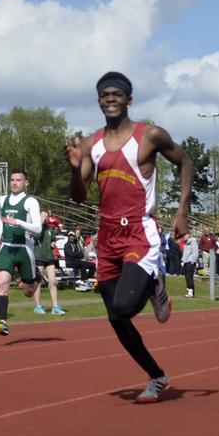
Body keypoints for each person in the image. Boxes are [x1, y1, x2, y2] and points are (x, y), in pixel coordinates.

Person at [66, 71, 193, 403]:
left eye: (117, 94)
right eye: (105, 95)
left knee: (124, 305)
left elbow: (185, 162)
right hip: (106, 235)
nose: (111, 99)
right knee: (116, 317)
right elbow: (78, 197)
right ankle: (157, 376)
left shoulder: (149, 136)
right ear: (99, 102)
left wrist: (182, 210)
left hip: (139, 231)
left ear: (128, 100)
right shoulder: (92, 144)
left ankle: (153, 285)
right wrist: (74, 168)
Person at [0, 169, 42, 336]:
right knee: (2, 283)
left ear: (25, 183)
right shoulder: (2, 200)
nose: (14, 183)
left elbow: (38, 228)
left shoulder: (31, 202)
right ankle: (3, 321)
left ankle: (35, 277)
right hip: (7, 247)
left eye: (18, 180)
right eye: (12, 180)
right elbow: (1, 219)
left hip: (24, 249)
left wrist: (18, 222)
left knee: (28, 292)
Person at [29, 211, 66, 315]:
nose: (45, 218)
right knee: (38, 281)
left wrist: (53, 243)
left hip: (49, 257)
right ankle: (37, 306)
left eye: (46, 216)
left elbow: (52, 240)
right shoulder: (36, 227)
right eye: (43, 216)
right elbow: (34, 235)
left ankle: (55, 306)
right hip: (39, 256)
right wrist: (39, 222)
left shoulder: (50, 229)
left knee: (53, 281)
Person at [182, 231, 198, 298]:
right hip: (185, 261)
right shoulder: (185, 242)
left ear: (189, 235)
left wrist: (192, 261)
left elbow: (195, 252)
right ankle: (189, 291)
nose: (184, 236)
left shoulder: (193, 242)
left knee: (189, 276)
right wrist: (183, 260)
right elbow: (185, 253)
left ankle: (191, 292)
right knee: (187, 276)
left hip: (190, 261)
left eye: (185, 234)